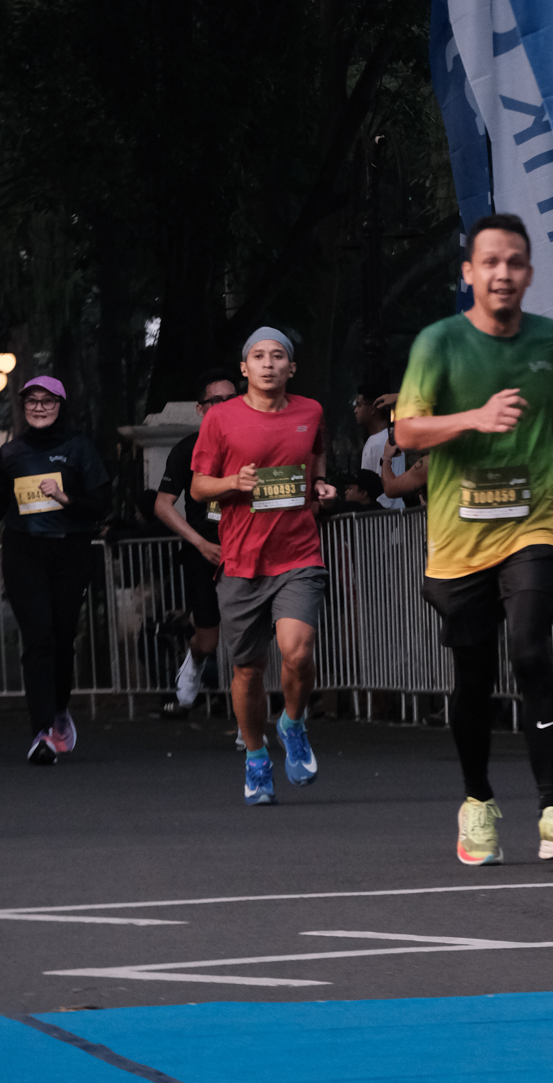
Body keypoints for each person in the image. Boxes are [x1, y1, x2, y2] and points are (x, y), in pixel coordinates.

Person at [394, 211, 553, 868]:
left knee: (530, 648)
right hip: (458, 537)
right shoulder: (438, 343)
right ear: (469, 273)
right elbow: (406, 431)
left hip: (532, 521)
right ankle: (477, 800)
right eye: (490, 262)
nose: (503, 273)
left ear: (529, 273)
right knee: (475, 675)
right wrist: (475, 418)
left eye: (514, 262)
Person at [0, 376, 111, 764]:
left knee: (62, 638)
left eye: (47, 401)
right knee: (38, 637)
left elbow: (100, 507)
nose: (39, 407)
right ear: (22, 406)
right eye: (32, 401)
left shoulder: (78, 447)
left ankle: (59, 709)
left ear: (61, 405)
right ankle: (42, 732)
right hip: (24, 553)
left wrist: (64, 498)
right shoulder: (11, 453)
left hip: (70, 552)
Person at [190, 327, 335, 806]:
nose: (268, 363)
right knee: (248, 671)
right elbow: (198, 487)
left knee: (298, 650)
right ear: (244, 368)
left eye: (277, 356)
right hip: (242, 561)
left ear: (291, 368)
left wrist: (319, 485)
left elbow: (316, 457)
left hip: (298, 554)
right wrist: (233, 482)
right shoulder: (221, 418)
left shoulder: (310, 412)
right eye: (258, 356)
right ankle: (256, 756)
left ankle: (292, 722)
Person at [153, 374, 237, 715]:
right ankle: (194, 661)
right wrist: (200, 543)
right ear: (201, 409)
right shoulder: (187, 449)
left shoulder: (252, 442)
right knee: (208, 639)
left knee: (249, 634)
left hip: (247, 549)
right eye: (218, 401)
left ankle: (249, 718)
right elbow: (162, 506)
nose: (228, 406)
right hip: (204, 552)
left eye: (234, 399)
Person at [355, 386, 405, 510]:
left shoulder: (384, 442)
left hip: (387, 515)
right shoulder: (375, 440)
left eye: (359, 405)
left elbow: (386, 490)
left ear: (373, 409)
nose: (355, 410)